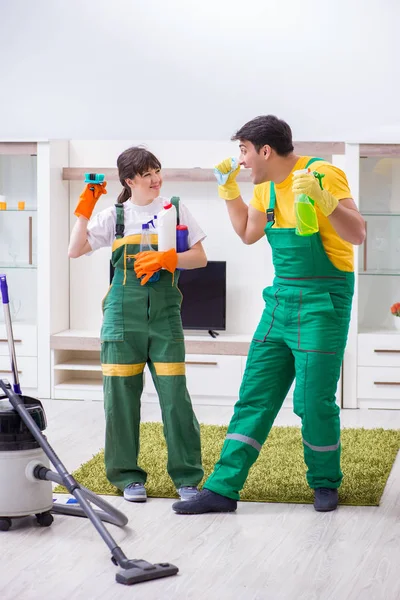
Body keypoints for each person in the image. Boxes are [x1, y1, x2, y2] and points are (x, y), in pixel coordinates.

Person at [172, 115, 366, 515]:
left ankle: (325, 482)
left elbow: (358, 234)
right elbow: (247, 232)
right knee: (254, 396)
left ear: (265, 150)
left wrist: (325, 200)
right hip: (279, 301)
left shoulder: (323, 174)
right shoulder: (263, 189)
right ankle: (223, 489)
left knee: (313, 401)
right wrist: (228, 191)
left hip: (323, 302)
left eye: (243, 150)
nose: (240, 160)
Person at [68, 146, 206, 503]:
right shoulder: (114, 216)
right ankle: (127, 477)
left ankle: (188, 478)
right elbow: (75, 249)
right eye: (146, 174)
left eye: (157, 171)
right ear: (129, 181)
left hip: (165, 319)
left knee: (176, 399)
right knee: (120, 401)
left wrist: (167, 257)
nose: (155, 179)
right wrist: (84, 209)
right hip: (121, 319)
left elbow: (200, 258)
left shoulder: (174, 208)